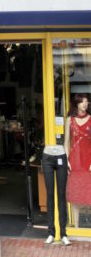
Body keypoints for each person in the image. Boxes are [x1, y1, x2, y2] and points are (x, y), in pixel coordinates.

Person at [65, 93, 91, 228]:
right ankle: (76, 227)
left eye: (86, 102)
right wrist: (66, 160)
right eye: (82, 102)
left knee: (88, 192)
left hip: (88, 161)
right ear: (77, 104)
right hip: (74, 161)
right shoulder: (70, 120)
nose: (85, 104)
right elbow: (66, 142)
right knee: (75, 195)